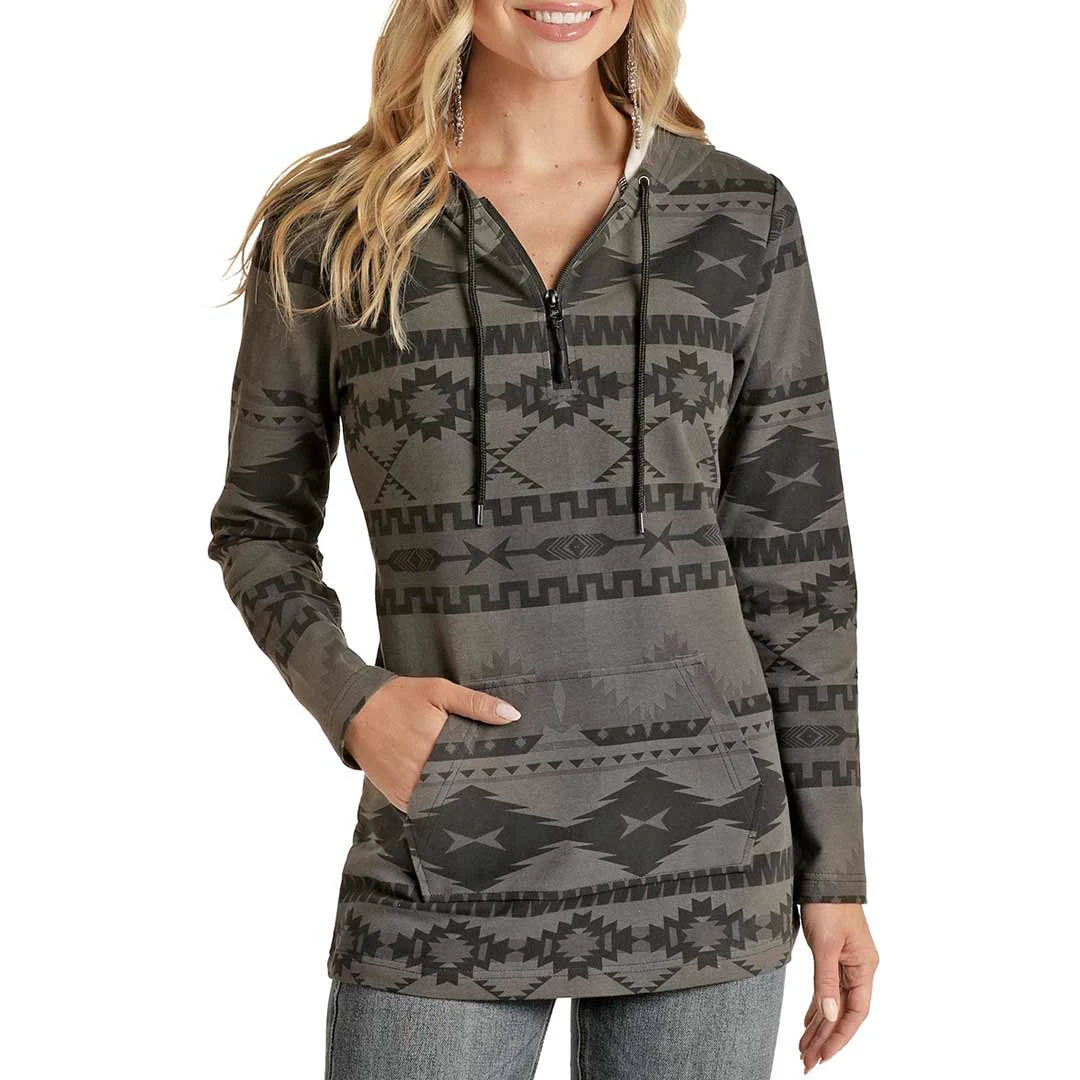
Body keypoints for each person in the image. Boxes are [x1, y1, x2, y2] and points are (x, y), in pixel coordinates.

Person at [206, 2, 880, 1077]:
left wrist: (834, 872)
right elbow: (258, 525)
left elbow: (799, 565)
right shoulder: (332, 226)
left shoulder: (739, 217)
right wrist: (353, 701)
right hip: (442, 854)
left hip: (710, 859)